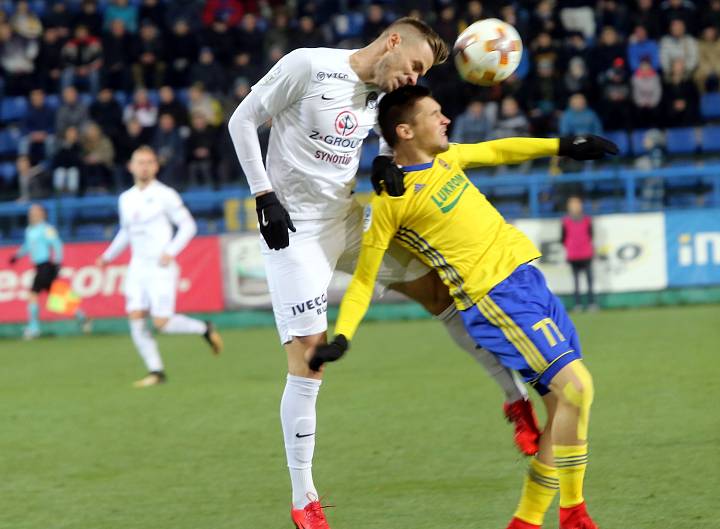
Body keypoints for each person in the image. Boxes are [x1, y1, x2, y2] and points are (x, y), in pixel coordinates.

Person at [227, 18, 537, 528]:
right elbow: (242, 121)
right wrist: (264, 194)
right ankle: (304, 499)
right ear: (393, 42)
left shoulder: (380, 96)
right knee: (309, 361)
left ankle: (515, 402)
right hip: (294, 232)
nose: (414, 78)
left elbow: (383, 142)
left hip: (345, 220)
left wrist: (383, 161)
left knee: (440, 293)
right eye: (414, 65)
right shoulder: (308, 65)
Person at [309, 85, 615, 529]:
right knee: (577, 388)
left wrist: (563, 145)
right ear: (405, 130)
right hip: (494, 298)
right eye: (435, 114)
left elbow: (499, 151)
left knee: (565, 403)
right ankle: (551, 517)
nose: (446, 119)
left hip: (526, 278)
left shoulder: (447, 158)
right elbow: (364, 278)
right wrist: (342, 337)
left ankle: (553, 515)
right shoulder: (392, 201)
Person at [96, 146, 223, 388]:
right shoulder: (126, 198)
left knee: (161, 323)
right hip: (137, 268)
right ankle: (156, 371)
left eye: (149, 162)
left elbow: (188, 226)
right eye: (139, 162)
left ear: (156, 166)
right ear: (130, 166)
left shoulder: (166, 195)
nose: (144, 166)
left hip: (160, 266)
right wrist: (107, 256)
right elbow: (126, 231)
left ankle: (203, 328)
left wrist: (170, 251)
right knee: (135, 316)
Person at [8, 204, 88, 339]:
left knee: (33, 295)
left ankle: (33, 328)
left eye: (35, 211)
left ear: (42, 214)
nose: (32, 214)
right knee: (57, 296)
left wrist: (57, 263)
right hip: (39, 267)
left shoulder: (46, 229)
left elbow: (57, 245)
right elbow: (27, 246)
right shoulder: (29, 230)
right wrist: (17, 256)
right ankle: (82, 316)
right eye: (31, 212)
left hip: (45, 266)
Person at [561, 196, 596, 312]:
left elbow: (591, 235)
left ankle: (591, 303)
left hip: (586, 253)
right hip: (573, 255)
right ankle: (577, 304)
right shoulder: (565, 221)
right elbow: (563, 237)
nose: (575, 207)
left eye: (577, 204)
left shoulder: (587, 220)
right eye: (572, 204)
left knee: (589, 280)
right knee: (576, 281)